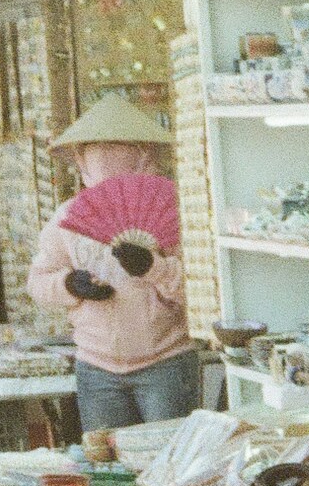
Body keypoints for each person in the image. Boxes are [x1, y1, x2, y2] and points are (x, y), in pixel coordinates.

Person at [26, 96, 198, 433]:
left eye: (115, 147)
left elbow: (204, 291)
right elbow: (38, 281)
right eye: (95, 149)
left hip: (167, 362)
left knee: (171, 463)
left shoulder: (176, 211)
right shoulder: (68, 219)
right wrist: (71, 285)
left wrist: (154, 268)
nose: (103, 156)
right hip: (96, 367)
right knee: (109, 471)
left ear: (143, 154)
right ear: (81, 159)